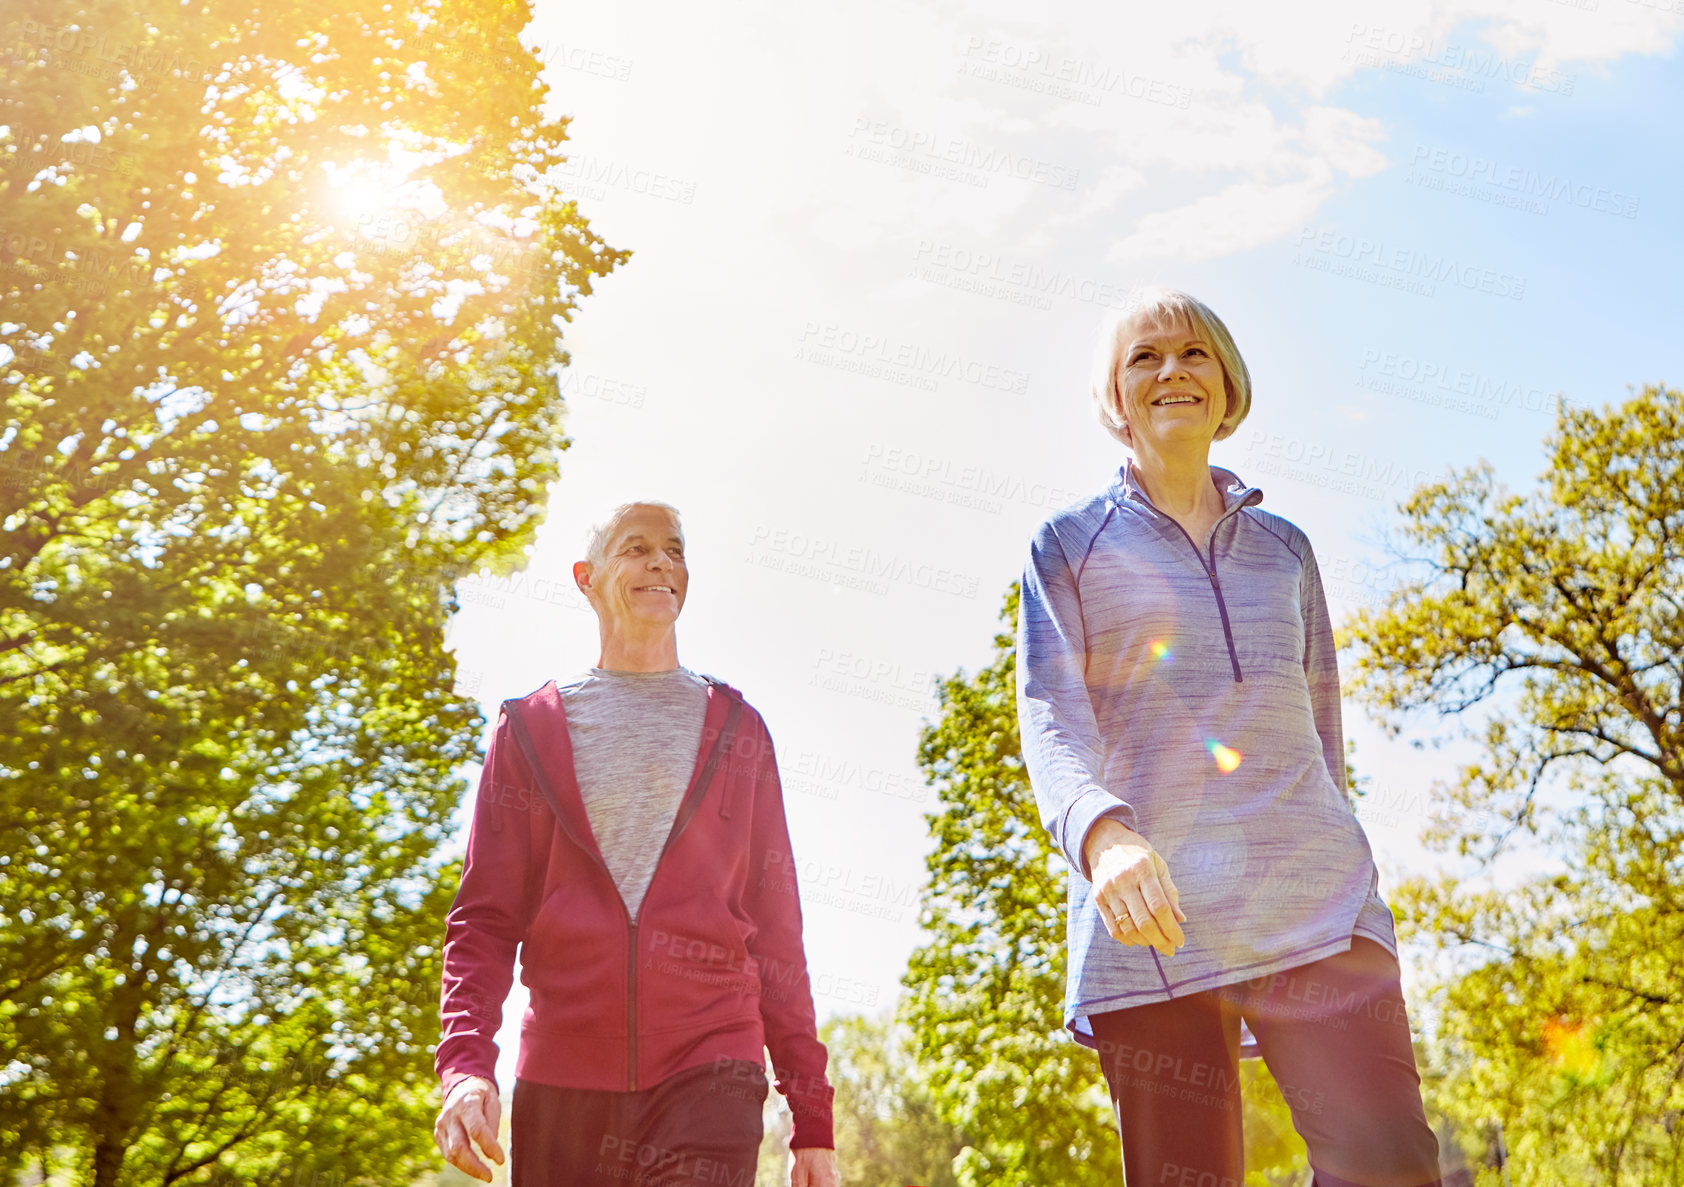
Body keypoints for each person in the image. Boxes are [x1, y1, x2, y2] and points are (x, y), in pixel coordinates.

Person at [1015, 289, 1443, 1187]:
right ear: (1114, 398)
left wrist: (1344, 858)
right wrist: (1104, 836)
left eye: (1194, 353)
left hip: (1316, 908)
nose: (1173, 370)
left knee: (1388, 1162)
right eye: (1145, 357)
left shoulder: (1286, 550)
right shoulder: (1067, 546)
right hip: (1154, 921)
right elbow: (1049, 714)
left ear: (1227, 383)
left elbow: (1325, 738)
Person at [432, 501, 841, 1187]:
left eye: (675, 550)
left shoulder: (739, 731)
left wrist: (812, 1116)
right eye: (637, 547)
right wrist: (466, 1065)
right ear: (586, 577)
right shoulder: (529, 730)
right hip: (563, 1077)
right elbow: (485, 919)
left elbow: (776, 931)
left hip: (710, 1061)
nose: (662, 562)